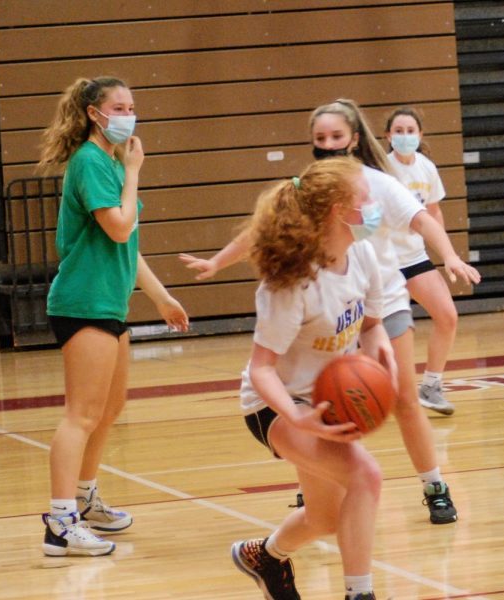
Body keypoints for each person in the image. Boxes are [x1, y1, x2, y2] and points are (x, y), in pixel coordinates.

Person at [180, 99, 481, 525]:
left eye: (336, 137)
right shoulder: (313, 189)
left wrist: (448, 255)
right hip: (329, 306)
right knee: (320, 396)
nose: (327, 145)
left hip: (380, 301)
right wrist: (218, 261)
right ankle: (315, 488)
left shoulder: (378, 182)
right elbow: (262, 229)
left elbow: (423, 219)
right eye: (319, 139)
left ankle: (434, 484)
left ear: (355, 139)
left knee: (403, 399)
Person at [36, 77, 189, 556]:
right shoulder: (90, 162)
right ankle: (60, 522)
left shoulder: (109, 163)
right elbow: (120, 229)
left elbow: (129, 246)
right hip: (83, 301)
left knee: (109, 409)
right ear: (92, 113)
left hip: (109, 302)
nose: (127, 114)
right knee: (81, 414)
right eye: (117, 107)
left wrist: (161, 297)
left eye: (132, 106)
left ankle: (83, 498)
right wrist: (135, 172)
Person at [230, 158, 394, 600]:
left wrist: (384, 362)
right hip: (275, 404)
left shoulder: (362, 254)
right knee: (366, 476)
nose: (375, 205)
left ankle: (264, 556)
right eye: (366, 199)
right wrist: (296, 418)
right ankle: (360, 594)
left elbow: (373, 325)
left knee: (324, 518)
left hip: (323, 401)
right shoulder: (292, 284)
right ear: (338, 211)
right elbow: (262, 368)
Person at [384, 106, 459, 416]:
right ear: (388, 136)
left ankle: (431, 385)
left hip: (415, 257)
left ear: (420, 135)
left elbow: (433, 212)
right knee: (371, 333)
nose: (404, 136)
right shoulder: (380, 169)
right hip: (384, 261)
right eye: (398, 131)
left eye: (410, 131)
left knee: (448, 316)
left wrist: (446, 255)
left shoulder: (426, 168)